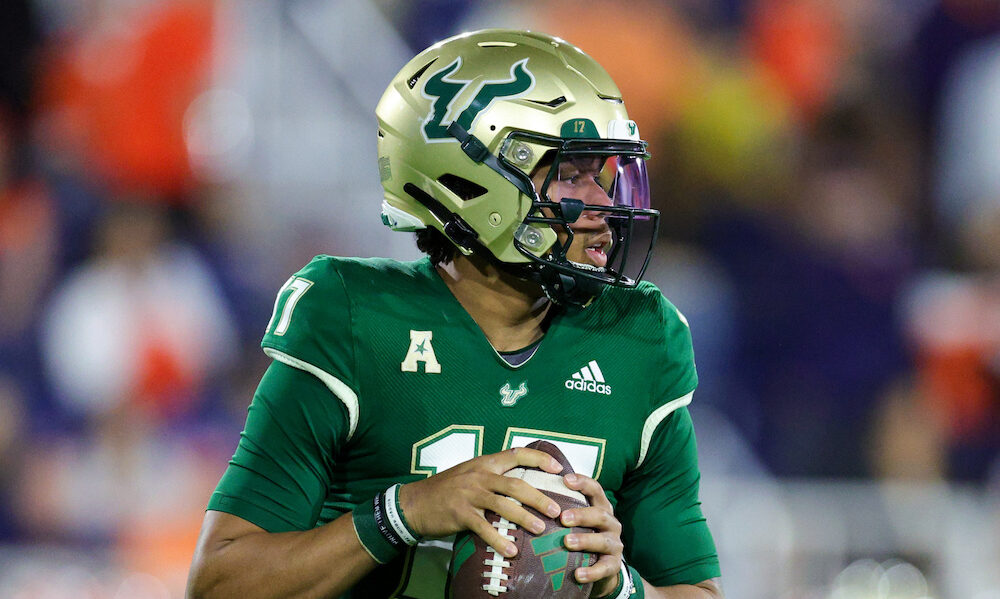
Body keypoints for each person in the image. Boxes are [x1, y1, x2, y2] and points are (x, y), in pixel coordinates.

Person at [187, 29, 722, 599]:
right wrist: (403, 513)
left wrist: (619, 587)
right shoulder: (355, 316)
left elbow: (694, 591)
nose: (602, 206)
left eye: (603, 175)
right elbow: (220, 582)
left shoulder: (638, 336)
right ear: (472, 180)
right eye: (571, 174)